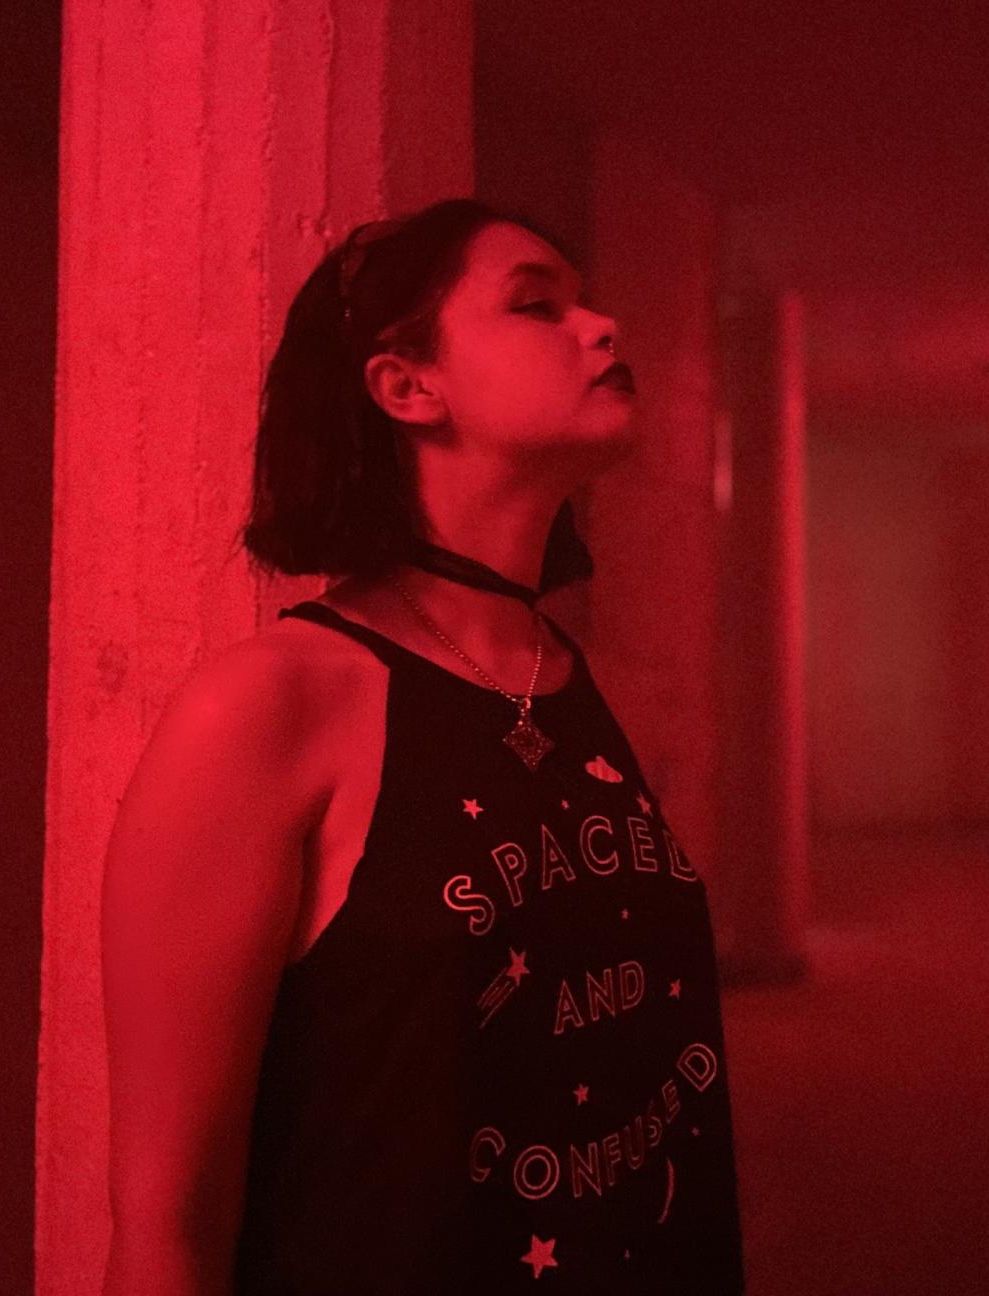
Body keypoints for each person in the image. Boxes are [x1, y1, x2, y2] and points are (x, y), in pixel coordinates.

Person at [100, 198, 747, 1294]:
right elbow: (168, 1222)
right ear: (407, 386)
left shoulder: (585, 683)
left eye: (584, 303)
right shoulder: (269, 706)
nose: (601, 327)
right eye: (537, 305)